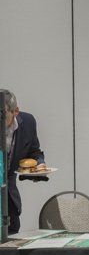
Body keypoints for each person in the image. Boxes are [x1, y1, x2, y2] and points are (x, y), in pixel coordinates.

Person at [2, 89, 45, 235]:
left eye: (2, 114)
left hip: (9, 201)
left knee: (12, 238)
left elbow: (34, 151)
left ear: (15, 111)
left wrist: (39, 165)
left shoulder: (28, 122)